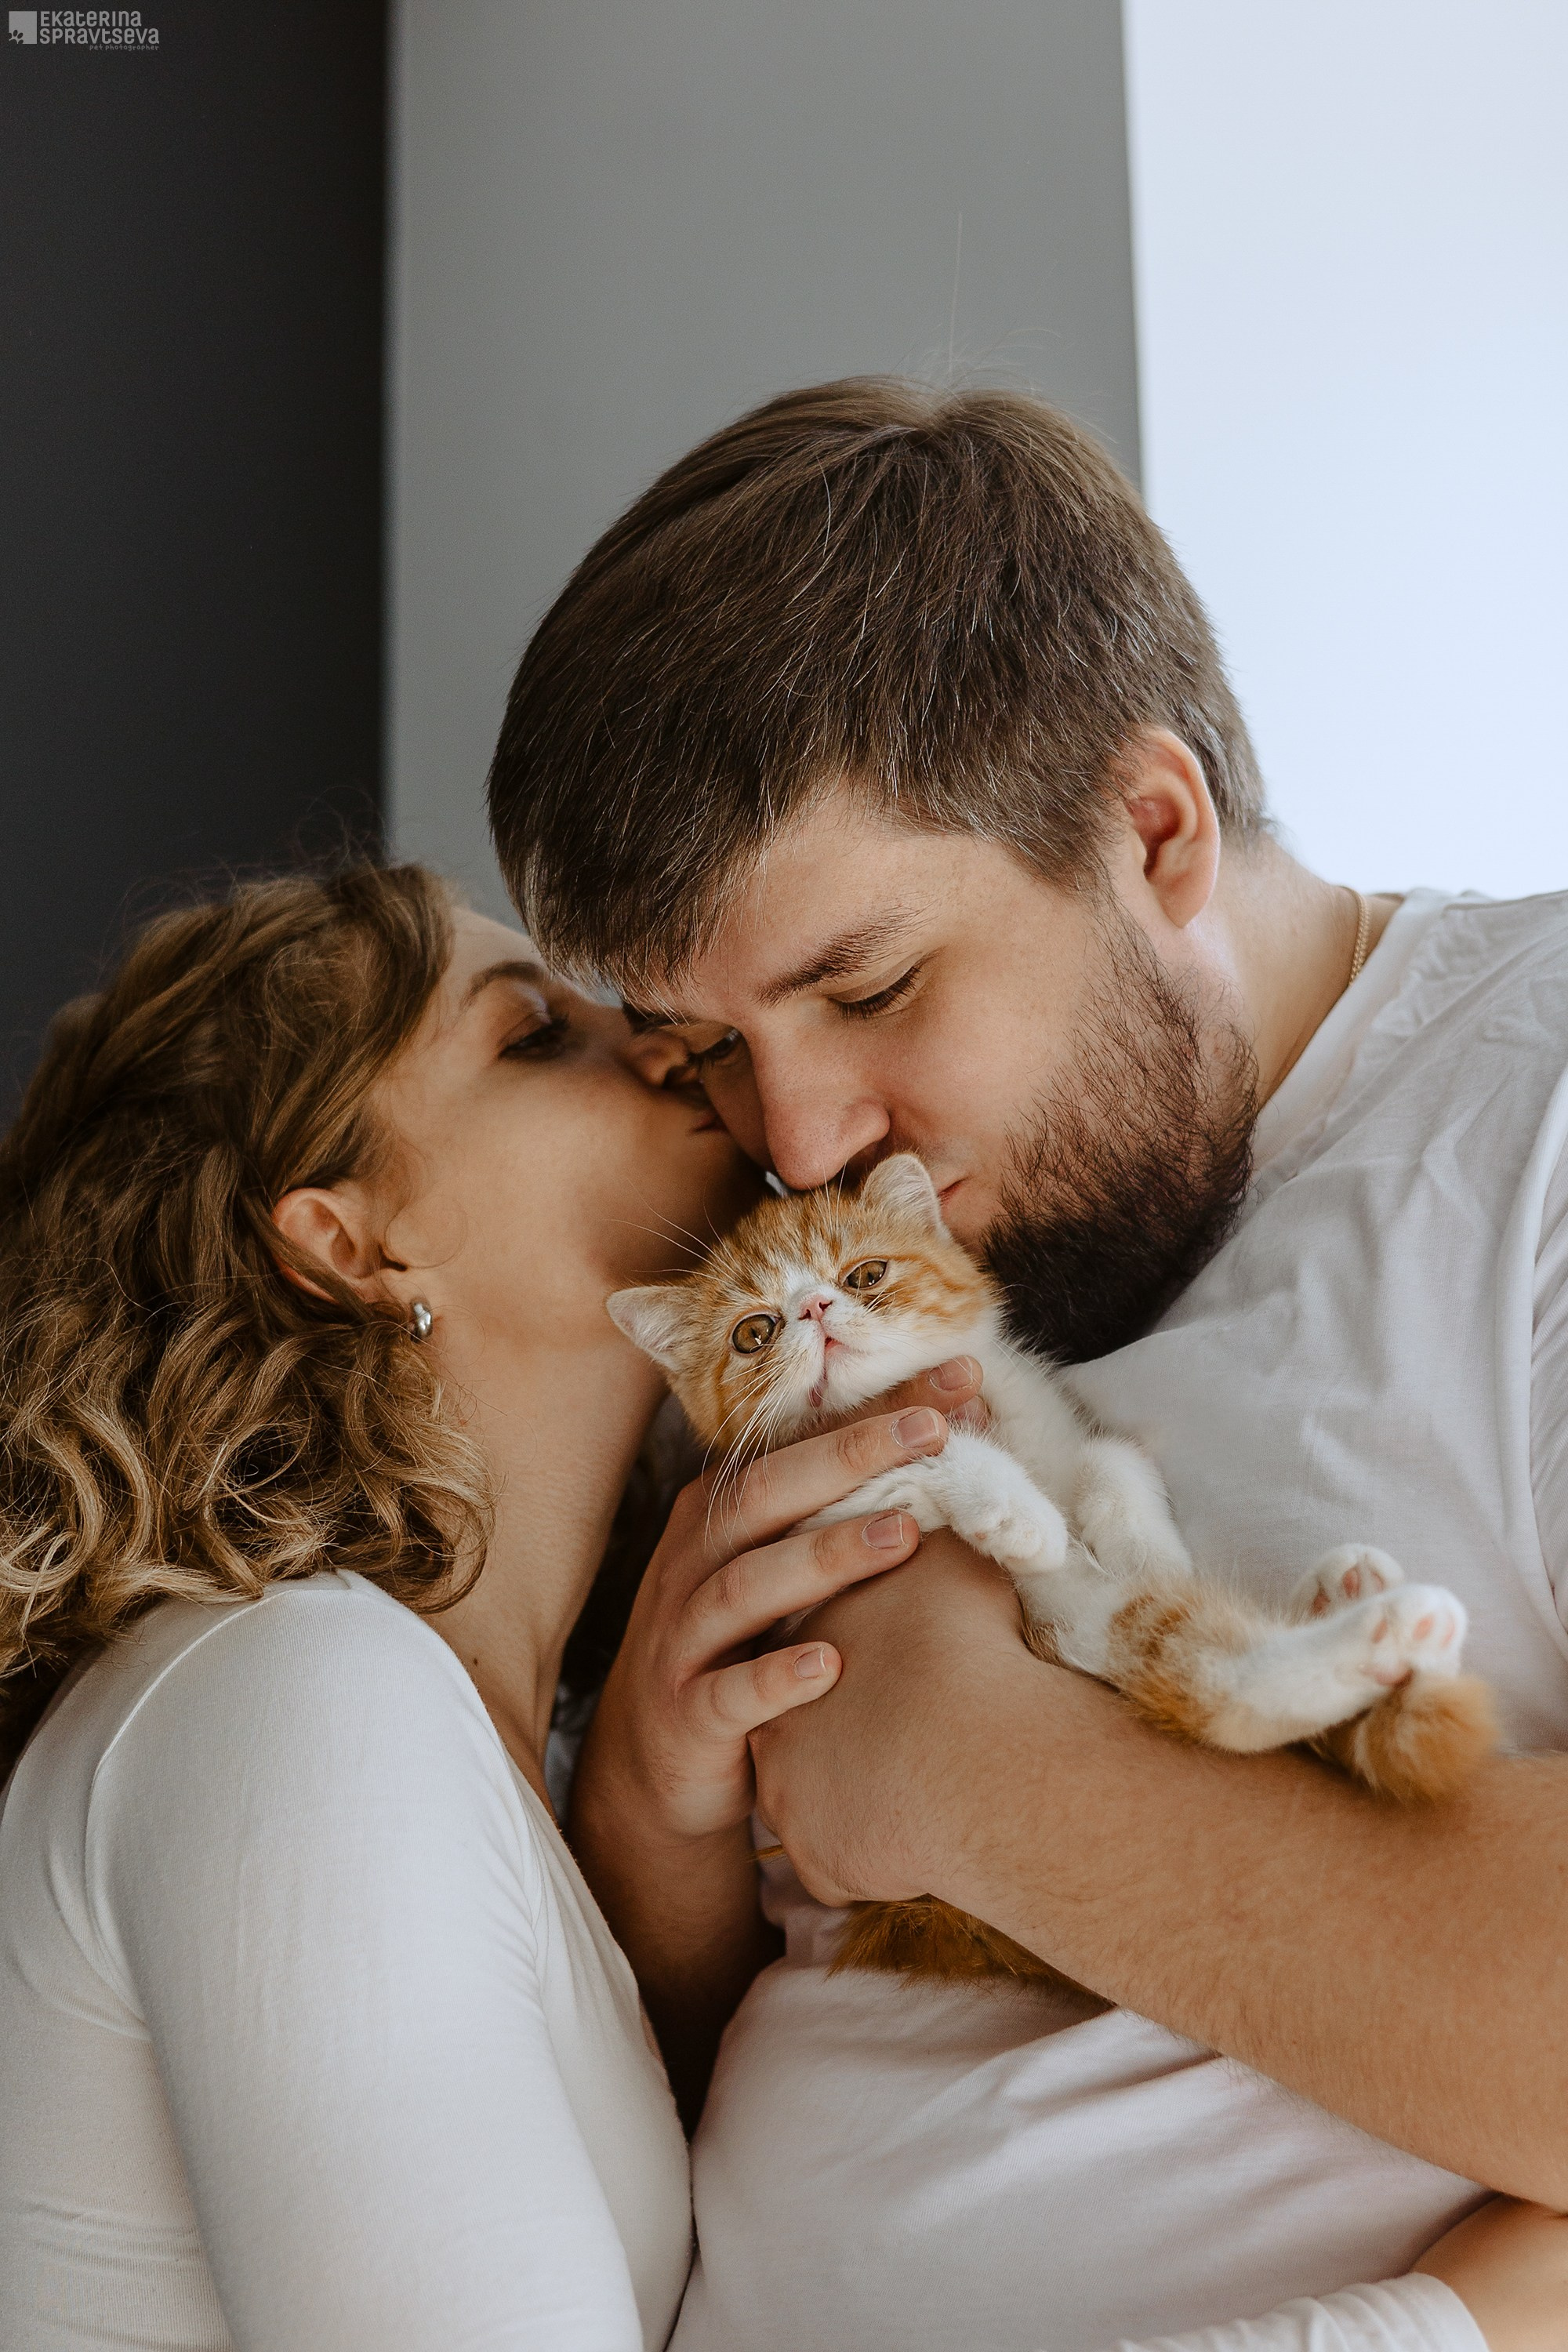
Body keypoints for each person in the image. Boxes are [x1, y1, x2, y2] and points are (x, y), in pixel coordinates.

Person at [486, 379, 1568, 2350]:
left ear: (1149, 831)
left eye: (871, 985)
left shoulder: (1533, 1113)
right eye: (705, 1046)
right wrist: (657, 1821)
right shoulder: (815, 1257)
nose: (798, 1141)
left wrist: (963, 1768)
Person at [1, 863, 949, 2351]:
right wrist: (1431, 2321)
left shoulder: (474, 1743)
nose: (661, 1040)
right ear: (351, 1242)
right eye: (535, 1037)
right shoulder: (299, 1700)